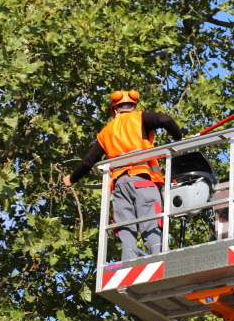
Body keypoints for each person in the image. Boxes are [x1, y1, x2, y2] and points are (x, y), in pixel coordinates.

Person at [63, 90, 183, 260]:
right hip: (142, 180)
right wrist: (178, 138)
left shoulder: (106, 131)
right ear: (134, 107)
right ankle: (160, 259)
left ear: (114, 110)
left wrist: (72, 178)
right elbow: (165, 120)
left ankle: (129, 263)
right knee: (151, 221)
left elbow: (88, 161)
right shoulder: (140, 117)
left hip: (120, 186)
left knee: (125, 227)